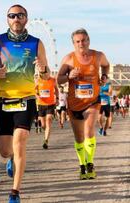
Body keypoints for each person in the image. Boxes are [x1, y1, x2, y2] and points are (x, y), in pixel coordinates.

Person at [0, 4, 49, 202]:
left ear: (26, 19)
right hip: (3, 100)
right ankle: (10, 159)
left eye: (20, 15)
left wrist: (43, 68)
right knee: (5, 150)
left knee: (19, 142)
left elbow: (46, 74)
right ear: (8, 19)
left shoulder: (36, 43)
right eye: (12, 16)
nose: (16, 19)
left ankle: (15, 192)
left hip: (26, 99)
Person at [57, 28, 110, 180]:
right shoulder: (68, 59)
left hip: (92, 101)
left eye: (84, 40)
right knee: (79, 138)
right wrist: (68, 76)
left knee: (88, 131)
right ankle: (82, 164)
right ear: (73, 44)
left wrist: (104, 76)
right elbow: (58, 79)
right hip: (74, 104)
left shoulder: (98, 55)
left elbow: (106, 65)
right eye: (78, 41)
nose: (82, 43)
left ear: (89, 40)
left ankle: (90, 163)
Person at [35, 73, 58, 149]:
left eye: (48, 73)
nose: (47, 75)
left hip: (51, 104)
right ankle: (47, 131)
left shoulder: (53, 80)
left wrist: (57, 98)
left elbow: (56, 89)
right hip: (41, 104)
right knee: (43, 125)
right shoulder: (38, 80)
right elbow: (34, 91)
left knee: (48, 120)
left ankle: (46, 140)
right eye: (45, 74)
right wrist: (37, 95)